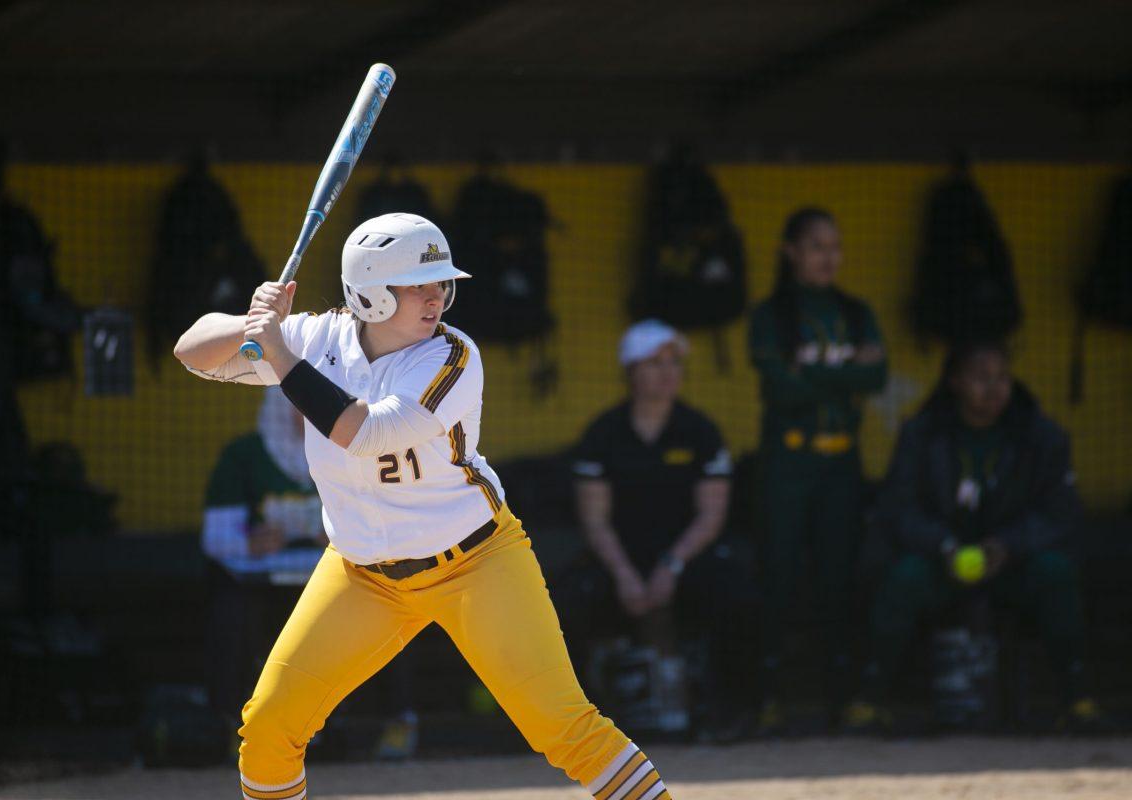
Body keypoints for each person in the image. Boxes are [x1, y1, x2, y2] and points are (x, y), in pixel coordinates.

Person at [174, 213, 672, 800]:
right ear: (369, 291)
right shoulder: (313, 337)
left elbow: (360, 432)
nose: (436, 297)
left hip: (476, 563)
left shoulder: (451, 357)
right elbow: (191, 352)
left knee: (563, 727)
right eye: (417, 284)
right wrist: (251, 323)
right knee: (267, 728)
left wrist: (280, 352)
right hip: (363, 575)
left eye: (440, 282)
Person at [843, 341, 1099, 730]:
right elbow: (900, 509)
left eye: (1002, 378)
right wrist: (944, 546)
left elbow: (1059, 515)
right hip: (941, 561)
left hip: (1012, 561)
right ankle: (869, 700)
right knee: (903, 577)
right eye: (981, 378)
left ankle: (1077, 699)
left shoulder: (1041, 435)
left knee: (1055, 571)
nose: (993, 389)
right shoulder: (921, 433)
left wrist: (1006, 546)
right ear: (956, 382)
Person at [563, 320, 756, 741]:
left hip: (686, 559)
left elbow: (712, 514)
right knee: (564, 601)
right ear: (631, 372)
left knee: (737, 593)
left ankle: (729, 714)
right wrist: (625, 576)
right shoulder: (603, 434)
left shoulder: (700, 431)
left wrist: (671, 566)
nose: (668, 372)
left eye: (674, 363)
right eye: (654, 363)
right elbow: (594, 520)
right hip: (619, 562)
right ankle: (580, 724)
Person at [201, 386, 419, 759]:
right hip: (263, 586)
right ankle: (232, 727)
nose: (310, 414)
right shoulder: (244, 456)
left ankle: (397, 720)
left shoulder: (359, 448)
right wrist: (251, 542)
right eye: (300, 406)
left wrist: (344, 528)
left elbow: (393, 520)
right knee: (233, 615)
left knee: (395, 606)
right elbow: (215, 536)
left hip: (342, 578)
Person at [747, 207, 888, 726]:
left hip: (843, 464)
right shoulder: (771, 314)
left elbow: (878, 378)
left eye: (835, 246)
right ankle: (768, 700)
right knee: (777, 579)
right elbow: (782, 389)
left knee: (839, 581)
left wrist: (818, 374)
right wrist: (848, 370)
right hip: (787, 462)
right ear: (791, 251)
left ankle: (844, 701)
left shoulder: (855, 311)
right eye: (815, 245)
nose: (828, 257)